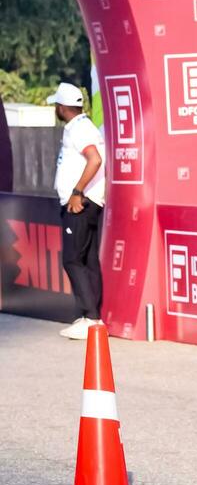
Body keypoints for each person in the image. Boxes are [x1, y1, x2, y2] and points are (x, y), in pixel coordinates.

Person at [47, 82, 105, 340]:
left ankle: (91, 318)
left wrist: (77, 192)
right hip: (86, 201)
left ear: (61, 107)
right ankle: (91, 317)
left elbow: (94, 159)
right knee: (88, 259)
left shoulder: (79, 129)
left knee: (71, 259)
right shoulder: (81, 126)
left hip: (80, 202)